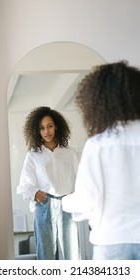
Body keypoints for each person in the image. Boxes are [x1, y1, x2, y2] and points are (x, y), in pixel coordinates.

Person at [62, 61, 140, 260]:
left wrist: (65, 201)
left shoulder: (98, 145)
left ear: (98, 102)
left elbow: (87, 200)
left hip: (112, 241)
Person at [17, 106, 80, 260]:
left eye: (49, 126)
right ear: (37, 131)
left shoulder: (69, 153)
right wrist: (34, 193)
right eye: (42, 128)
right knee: (46, 255)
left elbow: (79, 180)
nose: (46, 131)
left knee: (71, 254)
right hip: (44, 205)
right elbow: (24, 184)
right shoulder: (33, 155)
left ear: (56, 126)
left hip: (66, 204)